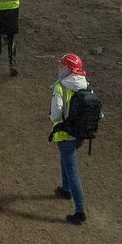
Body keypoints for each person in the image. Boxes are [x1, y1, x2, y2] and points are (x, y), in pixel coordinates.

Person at [50, 53, 93, 225]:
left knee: (72, 170)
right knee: (66, 160)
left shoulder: (61, 87)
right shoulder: (86, 85)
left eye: (63, 66)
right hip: (80, 134)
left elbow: (55, 115)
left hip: (64, 134)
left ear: (68, 69)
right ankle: (65, 189)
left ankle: (80, 212)